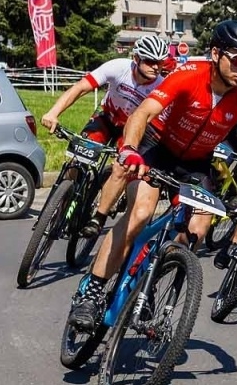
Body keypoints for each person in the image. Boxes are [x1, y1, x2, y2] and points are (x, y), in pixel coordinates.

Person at [68, 21, 237, 332]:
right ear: (216, 53)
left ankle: (151, 284)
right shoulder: (189, 74)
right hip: (156, 147)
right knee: (140, 214)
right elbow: (142, 114)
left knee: (198, 227)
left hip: (196, 162)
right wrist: (132, 151)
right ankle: (91, 292)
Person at [40, 34, 172, 241]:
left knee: (121, 167)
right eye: (150, 61)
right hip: (106, 118)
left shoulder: (161, 86)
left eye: (160, 62)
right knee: (77, 162)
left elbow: (161, 125)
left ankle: (98, 217)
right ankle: (63, 202)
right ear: (136, 59)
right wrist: (53, 113)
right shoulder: (118, 67)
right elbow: (80, 88)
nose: (156, 67)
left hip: (130, 131)